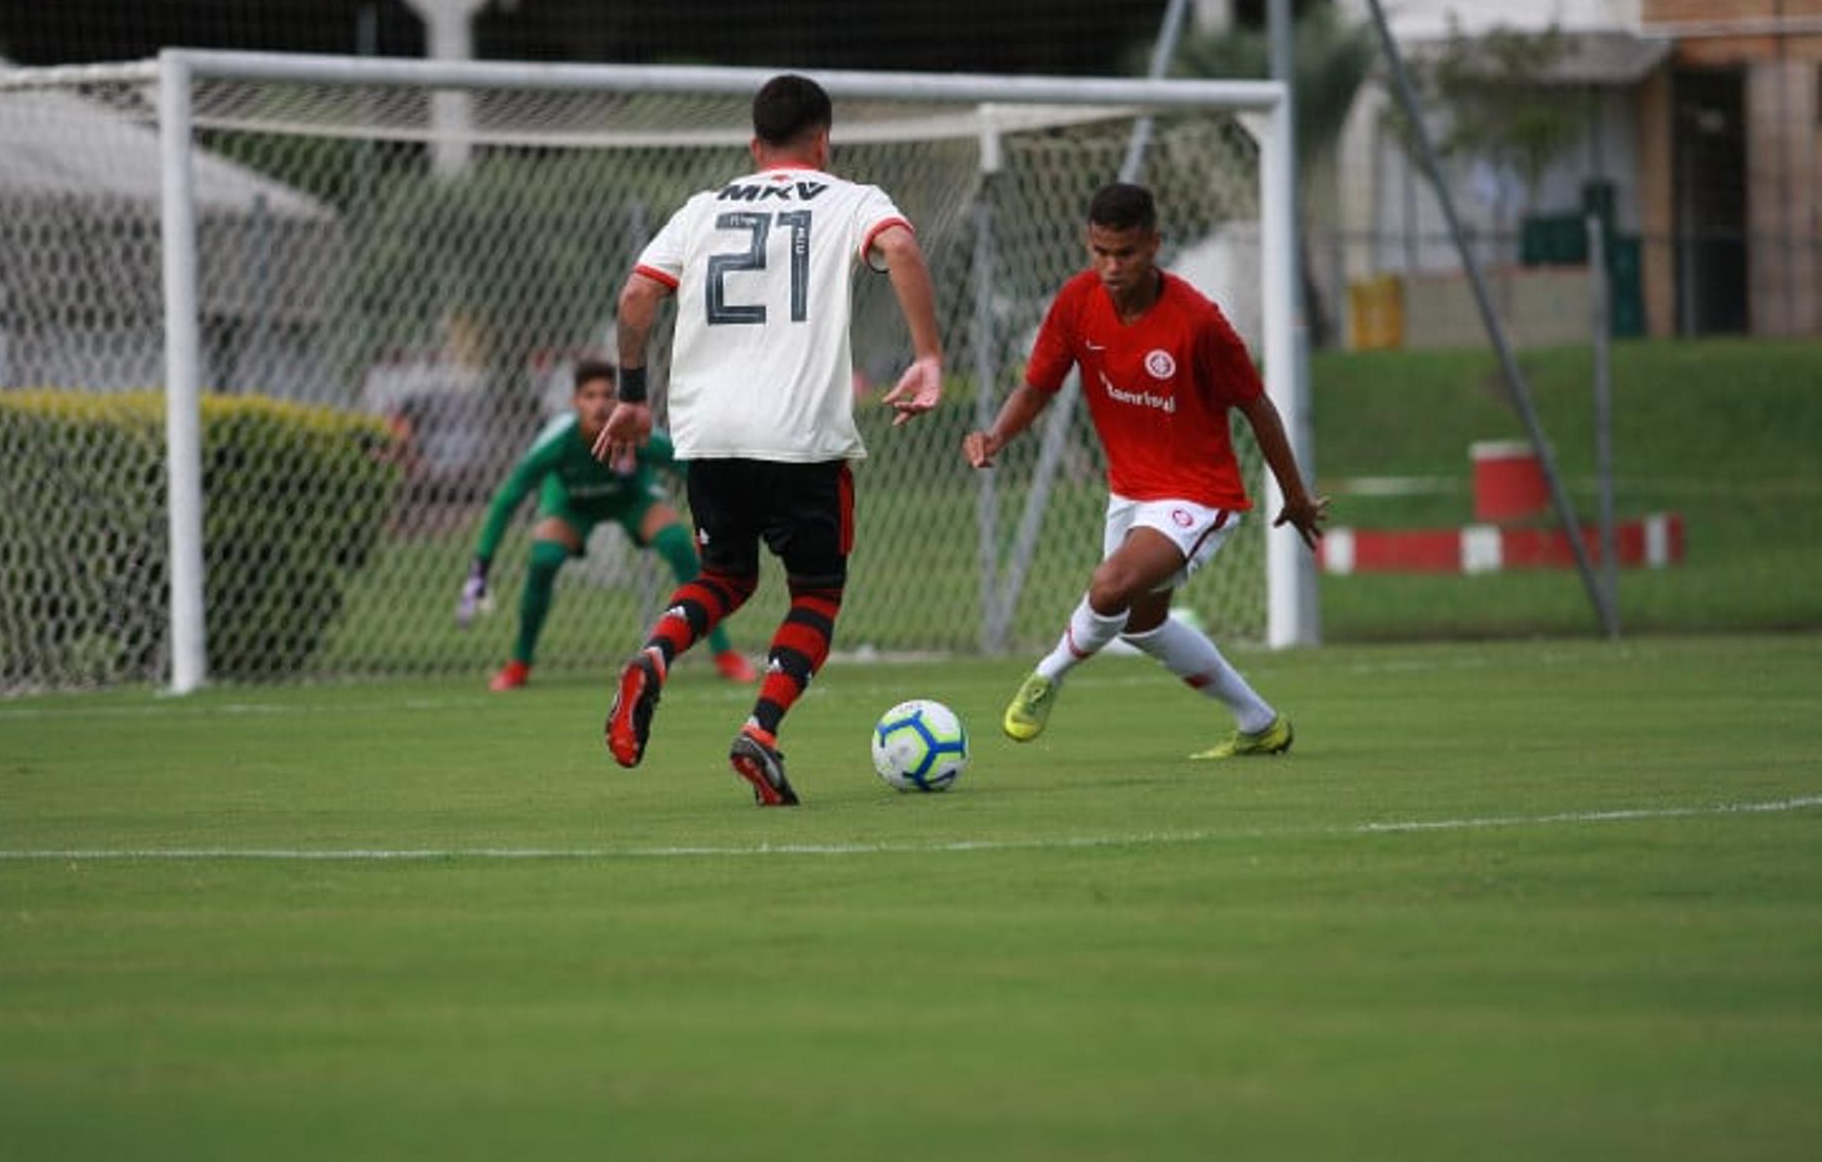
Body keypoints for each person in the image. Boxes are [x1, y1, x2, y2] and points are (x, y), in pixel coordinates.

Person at [592, 73, 944, 806]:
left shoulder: (702, 208)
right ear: (824, 140)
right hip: (799, 434)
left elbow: (635, 295)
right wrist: (929, 356)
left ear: (754, 146)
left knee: (726, 575)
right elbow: (902, 249)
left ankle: (655, 657)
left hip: (709, 432)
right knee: (816, 590)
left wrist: (631, 397)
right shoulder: (852, 199)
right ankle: (762, 730)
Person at [962, 182, 1327, 759]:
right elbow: (1036, 388)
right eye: (1100, 252)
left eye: (1125, 253)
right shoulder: (1076, 302)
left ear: (1154, 245)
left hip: (1200, 493)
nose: (1111, 267)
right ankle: (1260, 724)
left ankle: (1046, 675)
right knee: (1141, 625)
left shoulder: (1198, 323)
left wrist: (1296, 495)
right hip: (1130, 491)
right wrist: (995, 435)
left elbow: (1257, 406)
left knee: (1109, 585)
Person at [456, 359, 758, 691]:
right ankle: (519, 664)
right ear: (574, 402)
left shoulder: (634, 430)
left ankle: (724, 654)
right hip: (573, 505)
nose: (599, 404)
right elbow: (508, 497)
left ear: (618, 401)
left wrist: (725, 516)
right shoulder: (558, 440)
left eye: (606, 395)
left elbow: (689, 468)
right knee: (543, 560)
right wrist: (481, 566)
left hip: (631, 499)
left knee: (676, 543)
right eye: (589, 395)